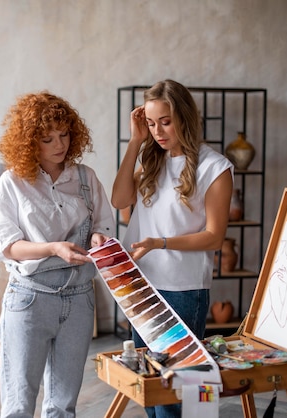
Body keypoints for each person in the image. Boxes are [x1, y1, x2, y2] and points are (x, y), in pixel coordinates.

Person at [0, 91, 115, 418]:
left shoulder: (86, 178)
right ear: (30, 142)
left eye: (64, 134)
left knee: (63, 405)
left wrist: (99, 238)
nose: (60, 144)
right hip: (29, 300)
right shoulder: (12, 183)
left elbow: (103, 227)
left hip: (80, 300)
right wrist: (53, 248)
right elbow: (6, 246)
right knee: (18, 404)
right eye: (47, 138)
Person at [111, 80, 233, 418]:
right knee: (151, 387)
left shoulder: (215, 167)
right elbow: (119, 200)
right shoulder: (153, 159)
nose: (158, 131)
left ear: (185, 116)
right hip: (138, 284)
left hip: (182, 288)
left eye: (165, 121)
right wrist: (136, 142)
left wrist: (159, 243)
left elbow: (214, 237)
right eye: (151, 123)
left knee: (184, 391)